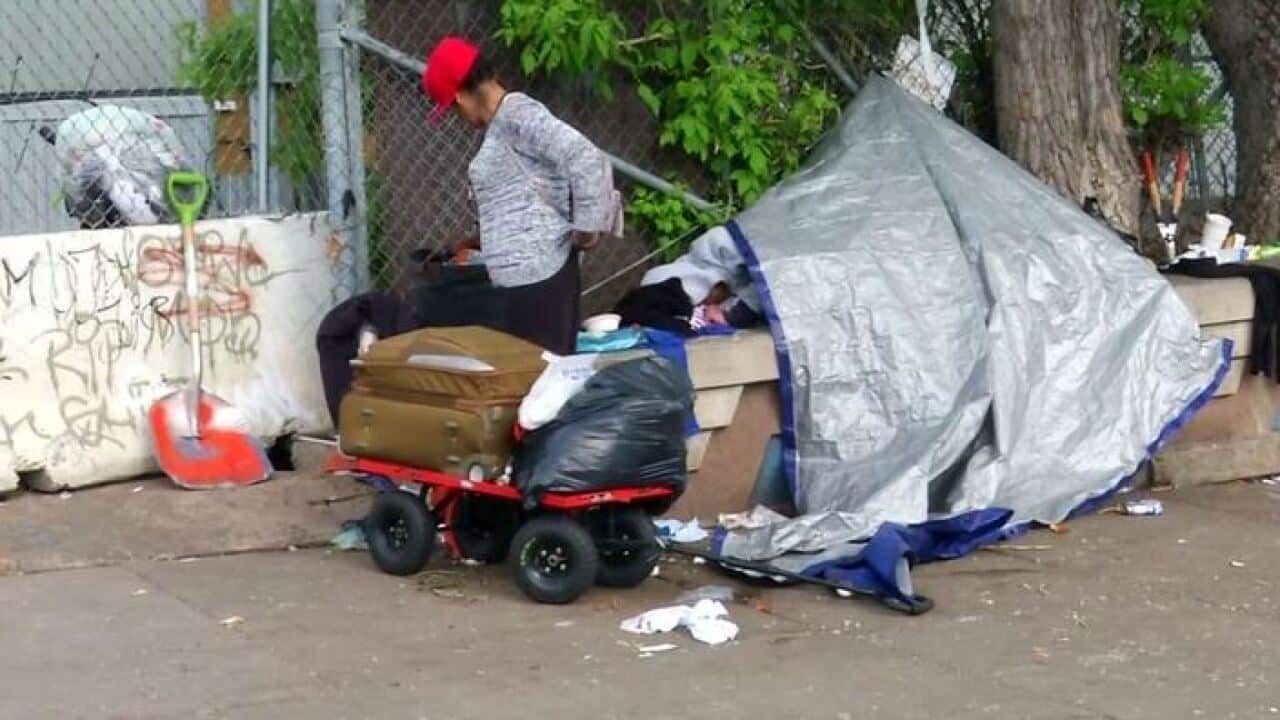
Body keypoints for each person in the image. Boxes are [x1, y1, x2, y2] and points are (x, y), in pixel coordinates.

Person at [421, 36, 619, 355]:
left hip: (541, 285)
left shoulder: (518, 116)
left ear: (460, 94)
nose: (459, 119)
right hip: (525, 287)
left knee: (541, 388)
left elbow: (586, 158)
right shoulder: (503, 123)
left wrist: (586, 232)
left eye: (454, 109)